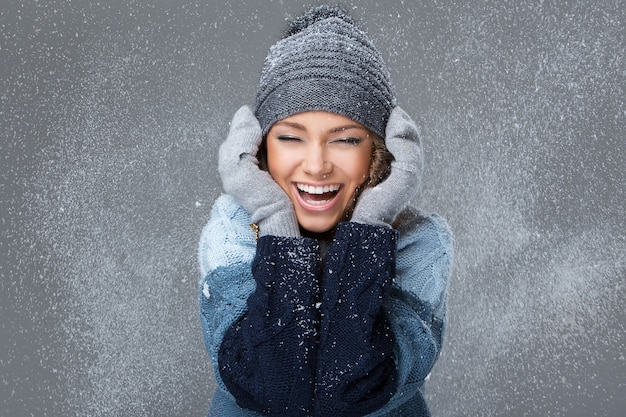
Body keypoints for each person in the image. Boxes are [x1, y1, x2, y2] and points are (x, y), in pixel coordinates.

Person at [198, 5, 453, 416]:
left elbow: (350, 392)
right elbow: (272, 388)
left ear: (380, 152)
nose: (316, 165)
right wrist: (274, 218)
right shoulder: (232, 231)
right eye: (291, 138)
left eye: (346, 140)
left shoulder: (421, 245)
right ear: (261, 150)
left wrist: (370, 224)